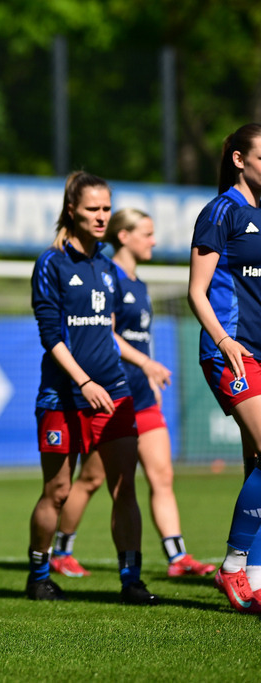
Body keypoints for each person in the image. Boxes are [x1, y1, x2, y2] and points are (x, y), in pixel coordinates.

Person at [48, 208, 214, 579]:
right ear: (124, 236)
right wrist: (146, 365)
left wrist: (150, 374)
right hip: (113, 395)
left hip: (142, 394)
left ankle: (177, 557)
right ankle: (61, 550)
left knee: (162, 476)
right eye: (147, 233)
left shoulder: (139, 284)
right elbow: (105, 334)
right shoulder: (108, 277)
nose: (154, 240)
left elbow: (140, 339)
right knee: (91, 480)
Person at [26, 170, 167, 605]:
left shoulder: (107, 267)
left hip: (114, 392)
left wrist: (141, 364)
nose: (102, 216)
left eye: (107, 208)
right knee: (59, 491)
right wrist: (82, 381)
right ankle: (38, 574)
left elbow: (107, 332)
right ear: (72, 210)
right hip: (63, 396)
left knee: (125, 486)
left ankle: (131, 579)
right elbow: (51, 336)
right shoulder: (51, 263)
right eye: (93, 209)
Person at [188, 123, 261, 613]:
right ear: (240, 159)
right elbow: (196, 291)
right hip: (232, 353)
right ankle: (234, 566)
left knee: (256, 464)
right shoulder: (221, 212)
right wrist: (223, 339)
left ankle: (253, 577)